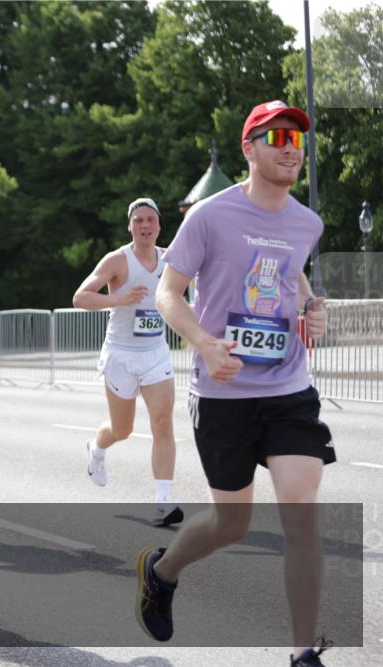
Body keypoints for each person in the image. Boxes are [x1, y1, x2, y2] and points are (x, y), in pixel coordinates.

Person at [135, 101, 334, 667]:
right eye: (275, 136)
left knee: (301, 508)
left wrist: (312, 309)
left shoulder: (307, 222)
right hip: (223, 394)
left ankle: (302, 653)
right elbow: (167, 293)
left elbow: (292, 276)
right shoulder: (208, 216)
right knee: (232, 524)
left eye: (296, 137)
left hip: (288, 388)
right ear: (249, 148)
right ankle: (162, 570)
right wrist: (203, 342)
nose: (290, 145)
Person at [72, 197, 183, 527]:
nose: (145, 226)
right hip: (120, 354)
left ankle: (164, 502)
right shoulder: (117, 261)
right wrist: (118, 299)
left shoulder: (171, 259)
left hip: (155, 353)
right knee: (122, 429)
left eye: (151, 220)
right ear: (130, 226)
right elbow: (80, 297)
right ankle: (97, 446)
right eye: (139, 221)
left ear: (159, 226)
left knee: (163, 423)